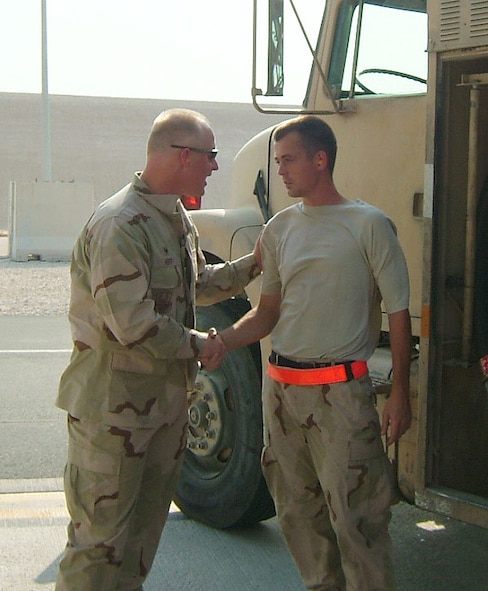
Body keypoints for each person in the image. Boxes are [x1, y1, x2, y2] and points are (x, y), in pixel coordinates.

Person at [55, 108, 260, 591]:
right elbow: (135, 325)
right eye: (209, 157)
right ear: (182, 155)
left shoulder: (173, 216)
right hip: (113, 417)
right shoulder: (119, 224)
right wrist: (204, 345)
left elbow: (196, 286)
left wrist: (257, 262)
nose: (214, 167)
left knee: (137, 550)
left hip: (161, 415)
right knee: (97, 552)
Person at [220, 115, 412, 591]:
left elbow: (400, 315)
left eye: (289, 160)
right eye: (278, 160)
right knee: (298, 517)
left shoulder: (369, 225)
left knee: (358, 522)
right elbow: (266, 315)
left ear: (320, 160)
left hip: (341, 398)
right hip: (282, 395)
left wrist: (400, 393)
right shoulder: (280, 227)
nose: (281, 171)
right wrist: (219, 342)